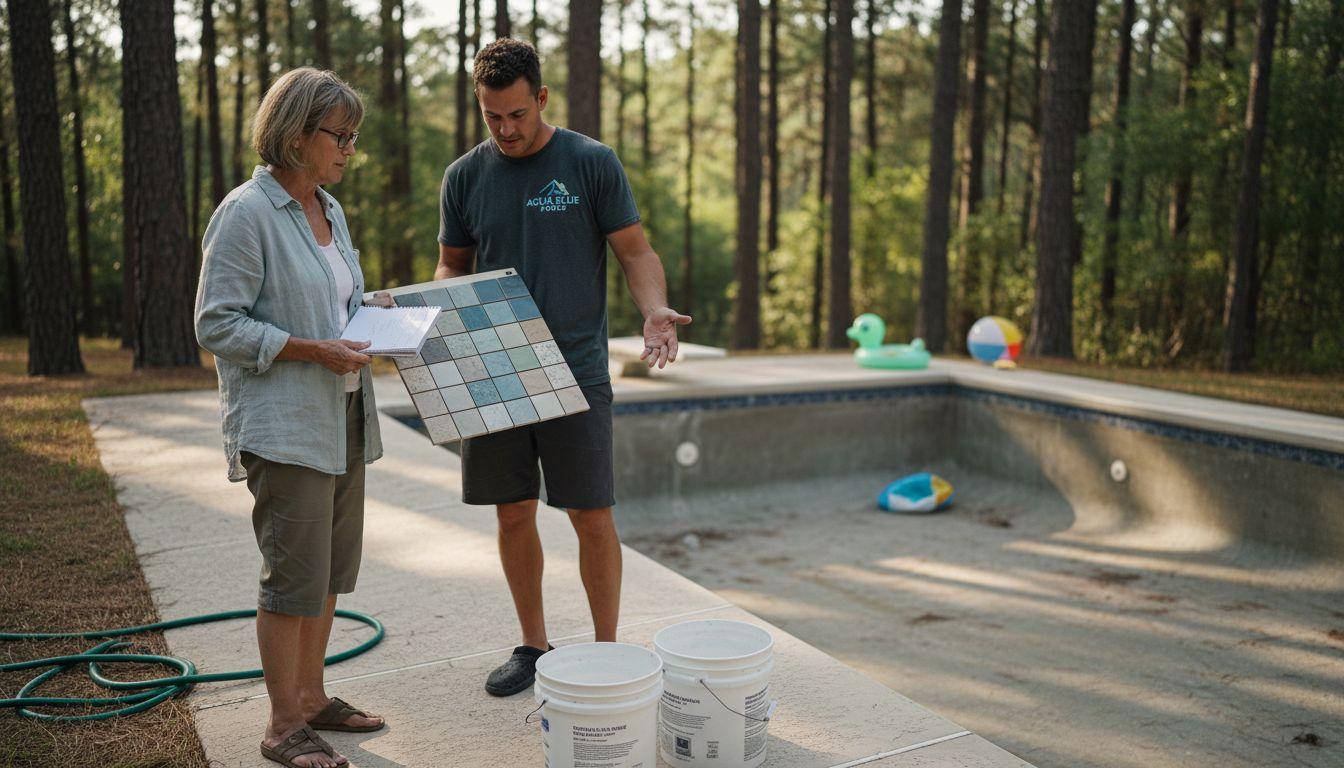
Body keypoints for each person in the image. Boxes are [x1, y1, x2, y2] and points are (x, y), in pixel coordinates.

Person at [436, 38, 692, 697]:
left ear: (541, 98)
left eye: (518, 114)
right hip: (494, 367)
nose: (507, 129)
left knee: (590, 514)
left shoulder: (589, 163)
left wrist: (656, 309)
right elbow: (451, 266)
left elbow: (635, 252)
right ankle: (531, 644)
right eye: (493, 116)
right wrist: (434, 312)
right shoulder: (464, 176)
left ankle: (608, 653)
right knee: (513, 510)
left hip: (576, 368)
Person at [195, 68, 386, 768]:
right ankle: (282, 726)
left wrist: (373, 319)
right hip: (287, 427)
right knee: (291, 576)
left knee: (329, 573)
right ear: (297, 133)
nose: (350, 149)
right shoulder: (246, 212)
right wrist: (310, 349)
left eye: (353, 136)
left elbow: (329, 304)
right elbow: (216, 323)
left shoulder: (328, 209)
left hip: (343, 420)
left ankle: (311, 697)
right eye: (341, 135)